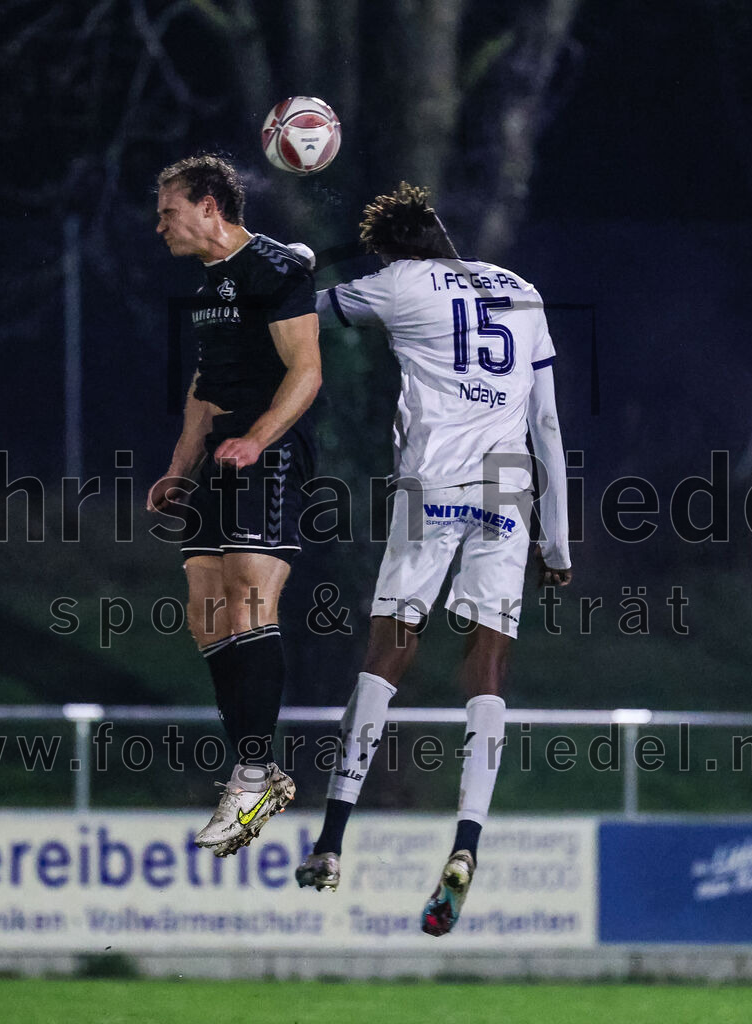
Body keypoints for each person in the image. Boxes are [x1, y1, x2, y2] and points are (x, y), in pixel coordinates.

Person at [295, 182, 572, 936]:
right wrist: (559, 538)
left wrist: (288, 265)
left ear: (390, 248)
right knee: (487, 666)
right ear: (444, 231)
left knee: (390, 649)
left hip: (434, 482)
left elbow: (301, 310)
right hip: (511, 485)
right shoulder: (522, 289)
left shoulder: (395, 283)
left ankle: (330, 840)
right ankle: (467, 841)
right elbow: (546, 420)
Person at [147, 155, 321, 857]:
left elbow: (307, 371)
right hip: (221, 451)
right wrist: (178, 466)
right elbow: (204, 384)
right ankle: (256, 769)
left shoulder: (275, 270)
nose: (159, 224)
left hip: (269, 449)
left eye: (168, 211)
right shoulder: (212, 283)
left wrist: (255, 439)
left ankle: (251, 775)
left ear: (211, 206)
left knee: (251, 594)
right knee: (204, 610)